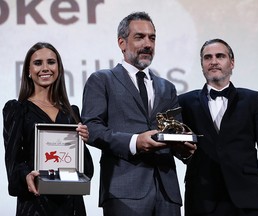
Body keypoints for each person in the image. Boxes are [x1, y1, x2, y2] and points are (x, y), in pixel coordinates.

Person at [81, 11, 196, 216]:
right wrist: (134, 142)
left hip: (167, 194)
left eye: (152, 38)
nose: (148, 44)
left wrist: (184, 149)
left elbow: (174, 132)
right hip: (124, 191)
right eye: (139, 37)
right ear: (122, 43)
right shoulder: (101, 80)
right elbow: (92, 128)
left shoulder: (167, 87)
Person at [178, 38, 258, 216]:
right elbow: (179, 147)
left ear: (232, 62)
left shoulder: (253, 100)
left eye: (220, 56)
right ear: (202, 65)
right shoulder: (185, 102)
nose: (213, 61)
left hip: (248, 198)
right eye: (207, 57)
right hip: (202, 199)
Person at [3, 42, 94, 216]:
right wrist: (26, 176)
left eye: (51, 62)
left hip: (71, 205)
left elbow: (86, 170)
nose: (45, 68)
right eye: (38, 63)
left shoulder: (71, 112)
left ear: (59, 68)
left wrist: (83, 141)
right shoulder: (17, 110)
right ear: (28, 71)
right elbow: (13, 162)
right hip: (35, 203)